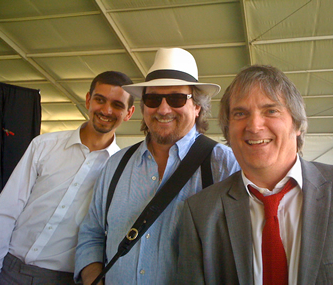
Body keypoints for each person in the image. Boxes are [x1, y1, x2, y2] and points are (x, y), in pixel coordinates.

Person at [177, 65, 333, 284]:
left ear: (296, 124)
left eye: (271, 111)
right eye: (240, 113)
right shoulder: (201, 213)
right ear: (228, 129)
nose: (254, 126)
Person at [74, 47, 240, 284]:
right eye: (153, 99)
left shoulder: (224, 165)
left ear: (197, 107)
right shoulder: (116, 165)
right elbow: (92, 233)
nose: (163, 109)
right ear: (142, 108)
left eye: (176, 98)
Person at [0, 71, 135, 284]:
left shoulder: (121, 169)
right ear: (88, 100)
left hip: (64, 278)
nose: (106, 110)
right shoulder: (43, 145)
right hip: (9, 270)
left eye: (117, 105)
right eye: (100, 100)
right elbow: (5, 212)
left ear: (129, 113)